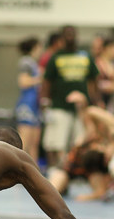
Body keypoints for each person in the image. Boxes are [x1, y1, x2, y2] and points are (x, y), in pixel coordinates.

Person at [41, 25, 100, 166]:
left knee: (80, 141)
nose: (70, 38)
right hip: (59, 106)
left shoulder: (85, 57)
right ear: (62, 38)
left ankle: (77, 168)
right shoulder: (56, 57)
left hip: (81, 109)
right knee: (56, 142)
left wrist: (96, 101)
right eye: (67, 35)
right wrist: (45, 102)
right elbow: (47, 81)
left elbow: (93, 81)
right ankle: (55, 169)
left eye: (72, 34)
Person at [15, 37, 43, 165]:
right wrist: (40, 79)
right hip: (27, 104)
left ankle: (34, 170)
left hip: (35, 104)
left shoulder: (34, 63)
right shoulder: (26, 62)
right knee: (24, 142)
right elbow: (23, 82)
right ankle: (17, 168)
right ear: (34, 48)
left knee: (34, 142)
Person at [92, 35, 114, 111]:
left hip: (109, 103)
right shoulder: (96, 64)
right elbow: (92, 85)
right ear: (107, 48)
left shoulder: (113, 66)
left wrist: (109, 86)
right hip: (96, 102)